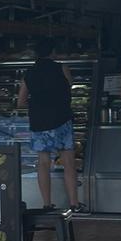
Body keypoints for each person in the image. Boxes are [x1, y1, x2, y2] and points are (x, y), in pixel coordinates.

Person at [17, 39, 82, 212]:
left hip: (39, 122)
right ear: (53, 52)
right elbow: (69, 87)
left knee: (43, 163)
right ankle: (74, 204)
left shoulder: (29, 73)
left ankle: (47, 204)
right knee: (68, 161)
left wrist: (37, 104)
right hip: (62, 120)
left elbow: (21, 102)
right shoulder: (62, 68)